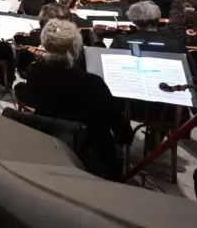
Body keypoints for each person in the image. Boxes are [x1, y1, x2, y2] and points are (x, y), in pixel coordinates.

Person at [16, 20, 132, 180]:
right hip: (86, 151)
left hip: (47, 142)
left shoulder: (35, 72)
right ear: (75, 48)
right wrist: (126, 134)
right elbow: (117, 123)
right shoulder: (92, 82)